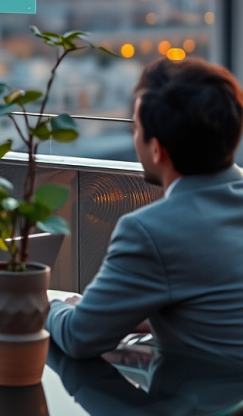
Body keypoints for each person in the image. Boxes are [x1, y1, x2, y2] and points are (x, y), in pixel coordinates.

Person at [47, 56, 243, 361]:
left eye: (136, 128)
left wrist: (53, 306)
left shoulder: (151, 230)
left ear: (156, 149)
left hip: (195, 406)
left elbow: (78, 337)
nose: (132, 137)